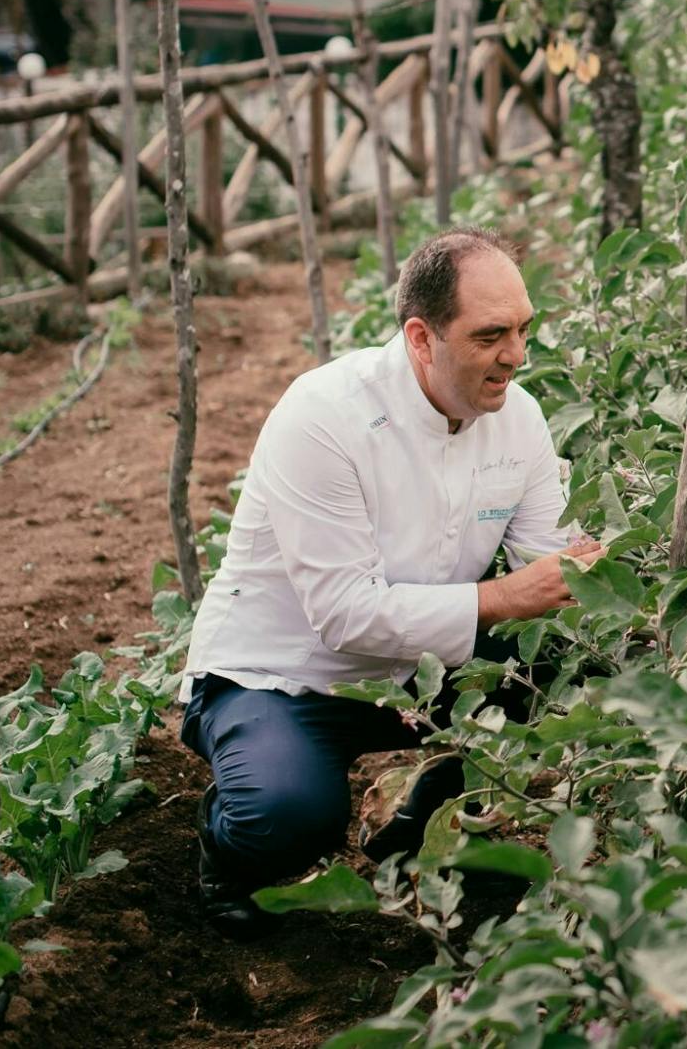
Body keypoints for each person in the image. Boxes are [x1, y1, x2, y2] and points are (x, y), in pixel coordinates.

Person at [180, 227, 602, 937]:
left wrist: (603, 568)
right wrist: (502, 596)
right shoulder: (325, 418)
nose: (518, 355)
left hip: (422, 671)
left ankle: (422, 823)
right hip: (286, 677)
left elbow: (551, 558)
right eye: (492, 335)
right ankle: (229, 849)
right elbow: (343, 615)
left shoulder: (518, 419)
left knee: (564, 664)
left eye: (525, 328)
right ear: (420, 337)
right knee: (290, 814)